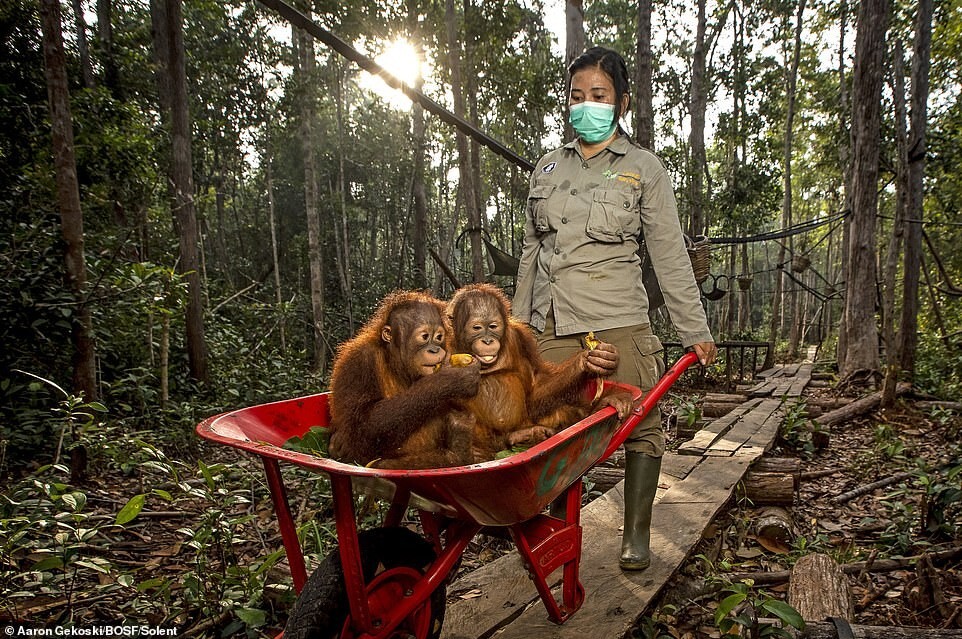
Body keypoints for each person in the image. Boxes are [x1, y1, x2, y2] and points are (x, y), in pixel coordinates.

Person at [513, 46, 717, 571]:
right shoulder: (548, 167)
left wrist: (693, 327)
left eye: (598, 96)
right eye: (577, 96)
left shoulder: (643, 169)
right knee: (556, 429)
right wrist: (518, 328)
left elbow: (669, 252)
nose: (586, 106)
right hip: (552, 323)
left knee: (640, 423)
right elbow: (532, 253)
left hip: (617, 320)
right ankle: (558, 532)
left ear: (621, 103)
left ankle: (636, 535)